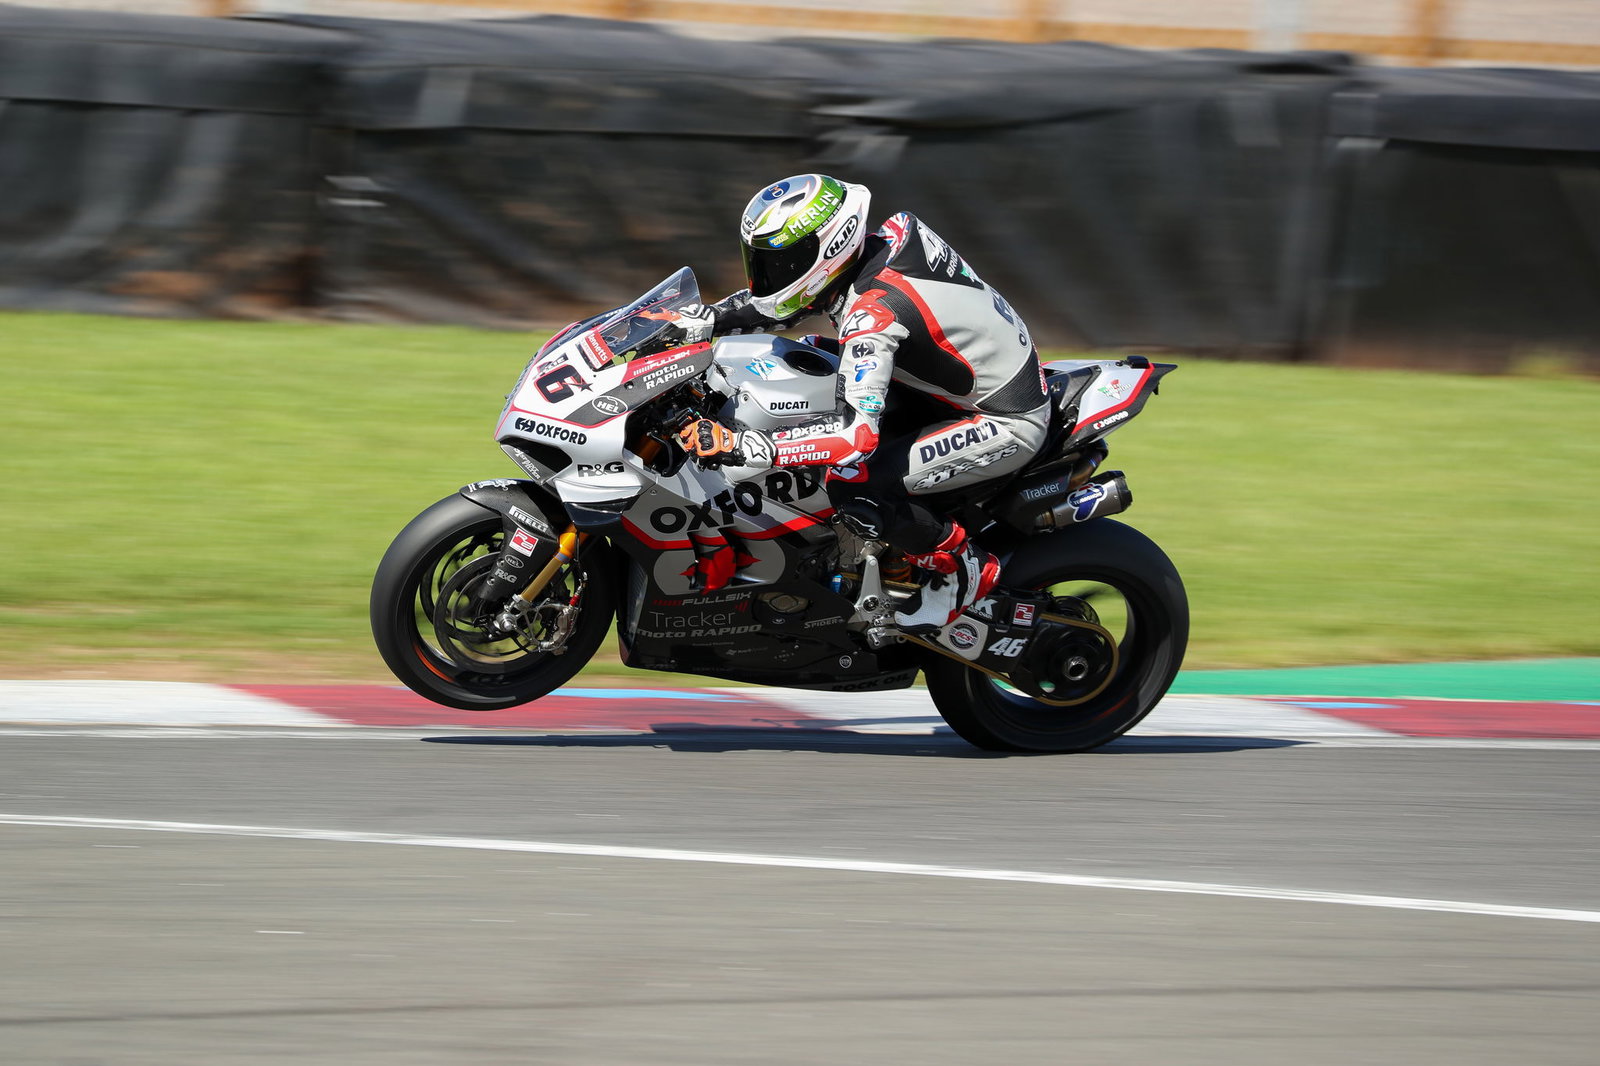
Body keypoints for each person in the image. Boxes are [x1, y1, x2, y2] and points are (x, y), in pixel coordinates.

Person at [667, 173, 1051, 632]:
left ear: (830, 250)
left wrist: (750, 446)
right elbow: (778, 305)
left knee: (852, 481)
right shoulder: (876, 247)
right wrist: (696, 321)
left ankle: (960, 566)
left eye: (785, 262)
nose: (770, 276)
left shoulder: (874, 316)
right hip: (945, 384)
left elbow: (856, 436)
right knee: (803, 368)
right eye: (763, 261)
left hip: (1004, 418)